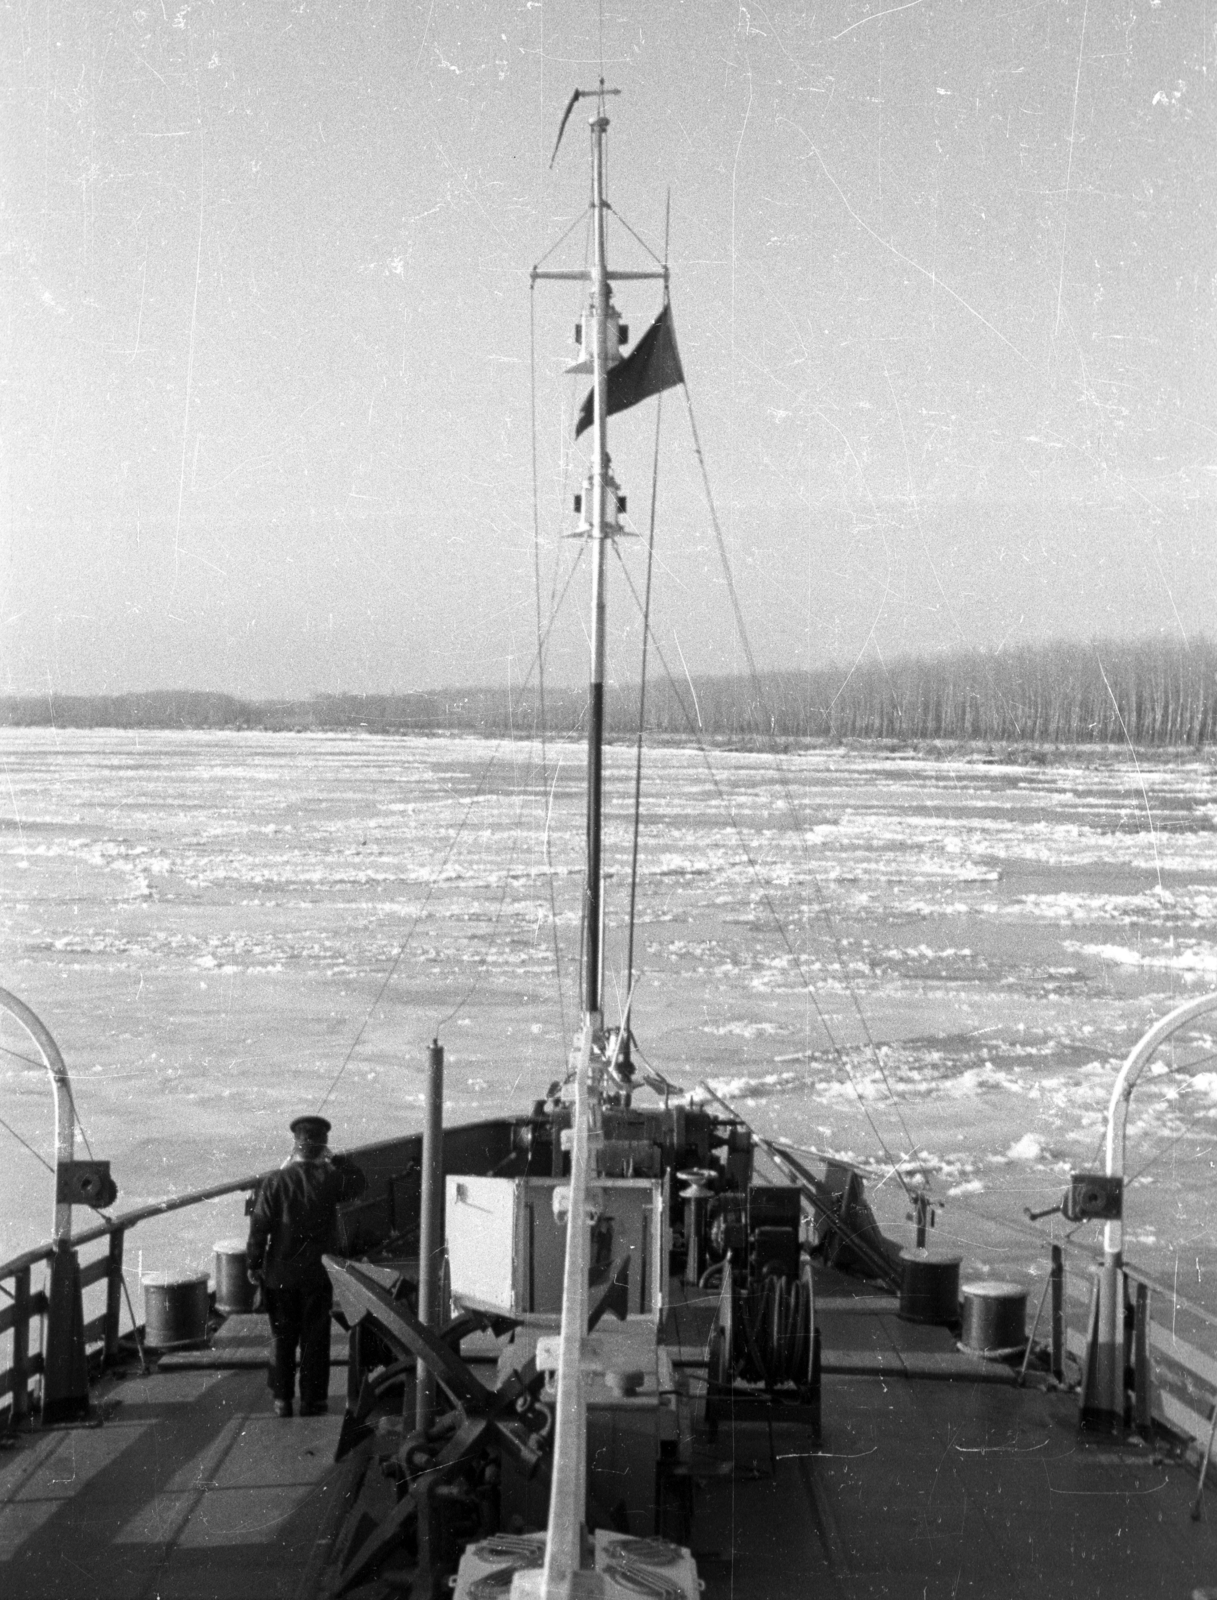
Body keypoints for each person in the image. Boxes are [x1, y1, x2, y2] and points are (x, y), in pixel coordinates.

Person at [246, 1114, 366, 1417]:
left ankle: (282, 1400)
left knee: (282, 1337)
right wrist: (337, 1159)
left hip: (280, 1274)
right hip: (317, 1273)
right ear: (322, 1146)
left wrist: (253, 1263)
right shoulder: (330, 1178)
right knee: (315, 1337)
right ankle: (313, 1401)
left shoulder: (274, 1181)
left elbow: (259, 1227)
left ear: (295, 1145)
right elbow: (359, 1184)